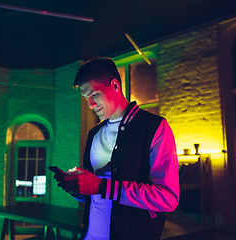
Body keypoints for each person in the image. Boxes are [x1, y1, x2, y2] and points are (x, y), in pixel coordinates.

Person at [54, 57, 179, 240]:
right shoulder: (94, 133)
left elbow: (168, 198)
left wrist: (103, 186)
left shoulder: (154, 127)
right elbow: (96, 194)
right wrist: (78, 188)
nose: (90, 104)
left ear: (115, 85)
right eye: (86, 98)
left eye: (94, 94)